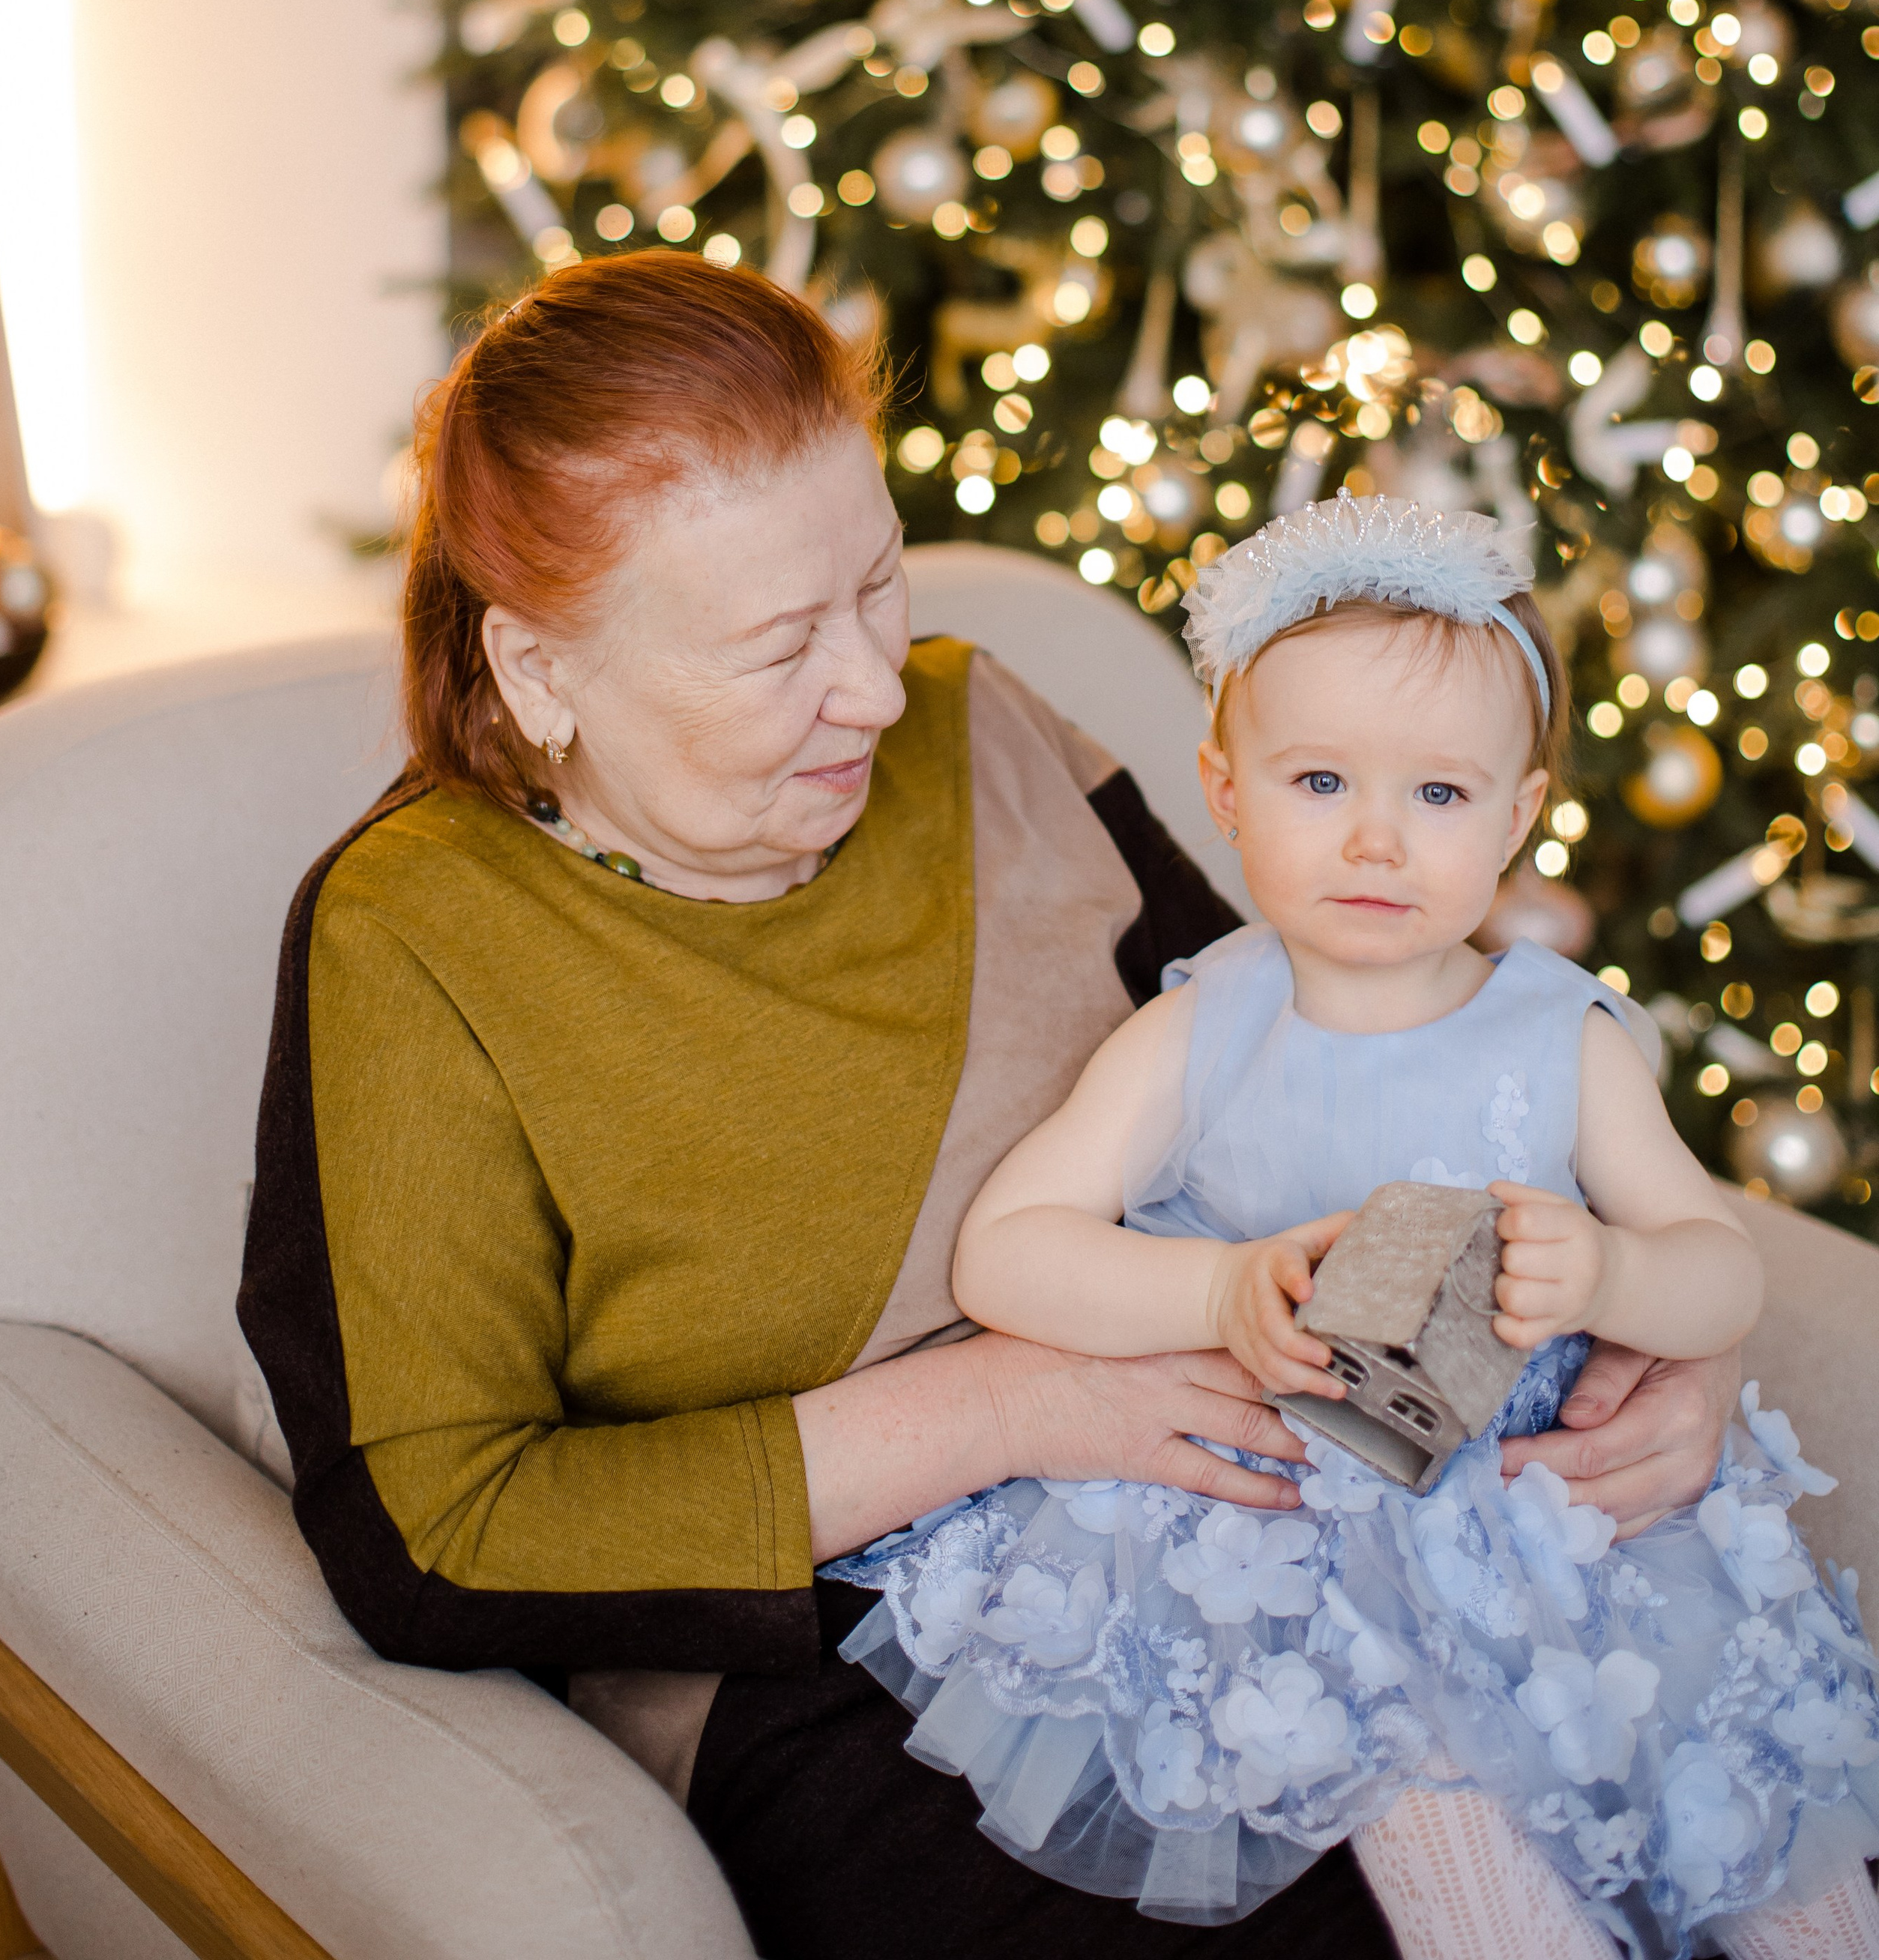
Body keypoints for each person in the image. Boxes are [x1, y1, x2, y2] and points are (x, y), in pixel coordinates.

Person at [238, 256, 1746, 1960]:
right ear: (539, 667)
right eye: (775, 649)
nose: (880, 689)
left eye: (875, 583)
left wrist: (1662, 1326)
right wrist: (1001, 1407)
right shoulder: (415, 934)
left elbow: (1348, 1053)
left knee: (1687, 1848)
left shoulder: (982, 724)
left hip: (1299, 1494)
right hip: (847, 1657)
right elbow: (431, 1531)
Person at [834, 497, 1879, 1960]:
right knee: (1443, 1837)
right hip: (1303, 1525)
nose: (1377, 840)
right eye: (1319, 780)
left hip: (1548, 1513)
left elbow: (1719, 1272)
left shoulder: (1552, 1038)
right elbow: (1005, 1252)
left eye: (1440, 798)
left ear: (1515, 815)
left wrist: (1619, 1269)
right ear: (1226, 787)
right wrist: (1216, 1291)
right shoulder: (1199, 1028)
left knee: (1747, 1811)